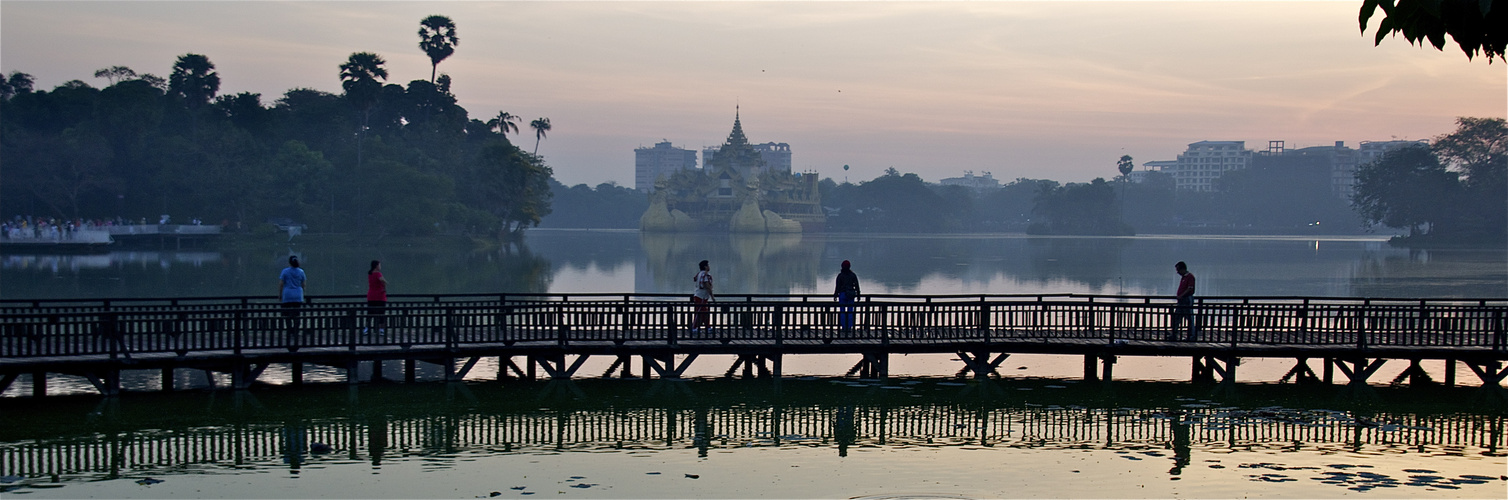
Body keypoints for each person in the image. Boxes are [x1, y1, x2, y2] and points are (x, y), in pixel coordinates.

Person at [1172, 261, 1196, 340]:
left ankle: (1191, 336)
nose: (1177, 272)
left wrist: (1181, 295)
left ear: (1182, 269)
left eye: (1178, 270)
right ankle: (1174, 334)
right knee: (1177, 317)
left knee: (1189, 317)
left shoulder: (1190, 277)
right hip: (1181, 301)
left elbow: (1190, 288)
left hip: (1186, 300)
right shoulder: (1184, 277)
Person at [834, 260, 861, 331]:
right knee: (850, 311)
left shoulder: (840, 276)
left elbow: (837, 287)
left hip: (842, 294)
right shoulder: (853, 275)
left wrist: (835, 295)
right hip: (851, 295)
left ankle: (843, 327)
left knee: (842, 311)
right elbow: (857, 286)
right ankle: (849, 327)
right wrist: (858, 295)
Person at [279, 256, 307, 321]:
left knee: (287, 314)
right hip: (298, 295)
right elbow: (303, 285)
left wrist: (280, 295)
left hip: (287, 295)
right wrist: (303, 294)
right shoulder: (301, 272)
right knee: (297, 314)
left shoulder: (285, 271)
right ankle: (296, 329)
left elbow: (281, 284)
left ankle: (289, 328)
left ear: (289, 262)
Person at [690, 260, 713, 332]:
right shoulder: (705, 275)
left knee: (703, 312)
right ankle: (694, 327)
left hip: (699, 295)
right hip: (701, 296)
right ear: (705, 267)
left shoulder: (699, 274)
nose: (709, 267)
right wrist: (712, 296)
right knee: (700, 312)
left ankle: (707, 327)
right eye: (708, 265)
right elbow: (707, 286)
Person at [365, 260, 387, 334]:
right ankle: (381, 330)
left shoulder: (370, 274)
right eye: (379, 265)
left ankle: (367, 328)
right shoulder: (378, 274)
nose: (380, 267)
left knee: (370, 313)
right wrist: (384, 286)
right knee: (381, 313)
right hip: (380, 296)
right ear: (376, 266)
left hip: (371, 296)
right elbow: (383, 281)